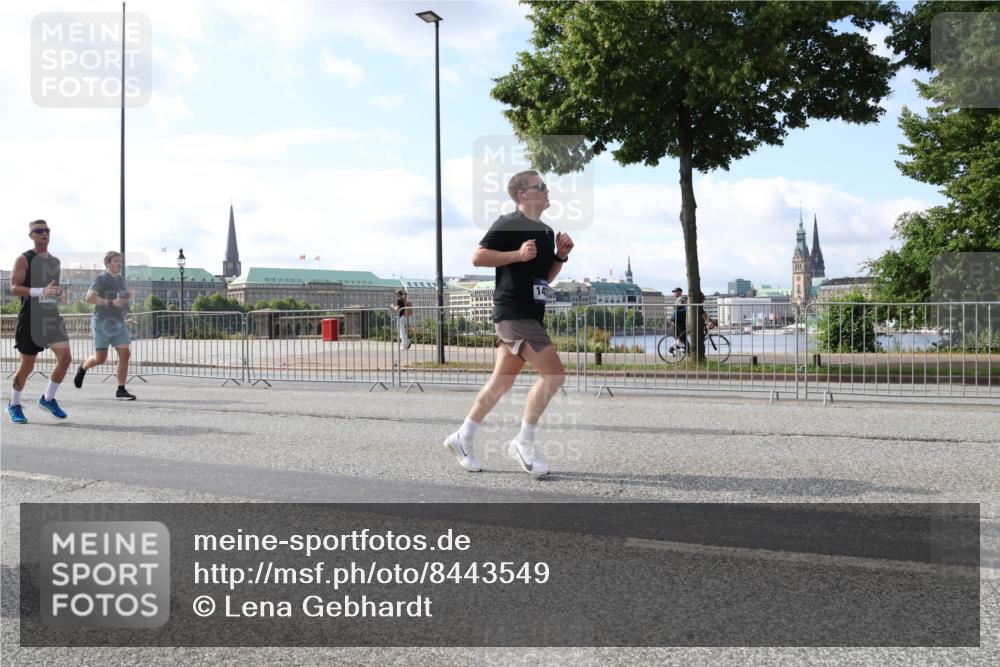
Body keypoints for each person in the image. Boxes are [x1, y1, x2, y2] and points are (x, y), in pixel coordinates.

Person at [442, 170, 574, 478]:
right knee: (554, 375)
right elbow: (478, 257)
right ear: (522, 195)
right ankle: (523, 441)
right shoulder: (508, 223)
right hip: (514, 312)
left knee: (502, 381)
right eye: (540, 186)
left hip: (531, 312)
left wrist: (560, 256)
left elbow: (545, 278)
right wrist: (517, 254)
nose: (547, 190)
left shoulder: (545, 231)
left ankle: (463, 436)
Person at [7, 219, 71, 424]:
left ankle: (47, 399)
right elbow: (14, 288)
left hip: (51, 317)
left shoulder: (55, 262)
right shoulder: (24, 259)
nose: (44, 233)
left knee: (66, 358)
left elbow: (53, 289)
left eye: (46, 230)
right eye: (39, 230)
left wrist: (60, 295)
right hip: (30, 318)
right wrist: (40, 291)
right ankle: (14, 403)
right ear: (31, 236)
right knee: (27, 365)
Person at [73, 251, 136, 400]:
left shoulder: (121, 280)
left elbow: (121, 300)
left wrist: (127, 311)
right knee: (100, 358)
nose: (119, 263)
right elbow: (89, 298)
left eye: (120, 261)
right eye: (116, 261)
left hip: (118, 322)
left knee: (125, 354)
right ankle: (82, 368)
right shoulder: (101, 278)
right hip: (102, 322)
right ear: (108, 263)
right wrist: (110, 302)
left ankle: (121, 390)